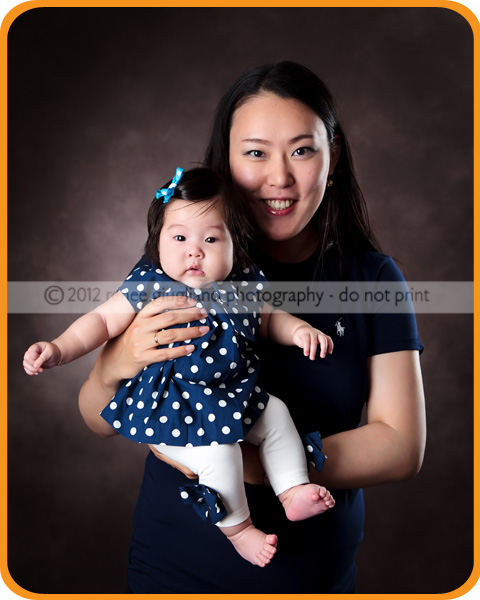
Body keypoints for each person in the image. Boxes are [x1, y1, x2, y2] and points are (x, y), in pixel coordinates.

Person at [77, 62, 426, 593]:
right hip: (172, 570)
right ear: (227, 161)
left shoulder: (371, 277)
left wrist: (264, 467)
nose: (279, 177)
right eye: (256, 152)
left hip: (314, 579)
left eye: (302, 150)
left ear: (332, 157)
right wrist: (116, 364)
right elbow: (99, 417)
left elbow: (401, 446)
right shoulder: (185, 266)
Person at [23, 166, 335, 567]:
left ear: (235, 245)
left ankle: (292, 489)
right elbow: (100, 321)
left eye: (211, 238)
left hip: (230, 395)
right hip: (172, 405)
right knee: (220, 455)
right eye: (180, 237)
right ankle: (239, 530)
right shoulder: (150, 286)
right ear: (158, 242)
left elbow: (270, 318)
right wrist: (58, 348)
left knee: (276, 413)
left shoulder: (240, 286)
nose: (195, 251)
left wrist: (301, 330)